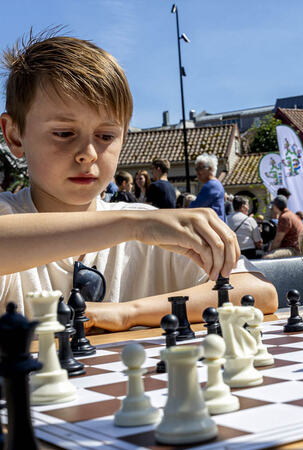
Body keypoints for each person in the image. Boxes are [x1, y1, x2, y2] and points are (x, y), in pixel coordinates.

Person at [0, 33, 277, 330]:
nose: (88, 154)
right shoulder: (141, 225)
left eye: (106, 136)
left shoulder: (149, 227)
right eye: (64, 133)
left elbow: (259, 293)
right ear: (15, 135)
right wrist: (131, 226)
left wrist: (129, 312)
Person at [189, 154, 226, 221]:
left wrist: (188, 203)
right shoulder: (216, 184)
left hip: (213, 225)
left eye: (200, 168)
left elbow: (195, 207)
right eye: (196, 169)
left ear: (210, 168)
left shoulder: (211, 185)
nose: (197, 172)